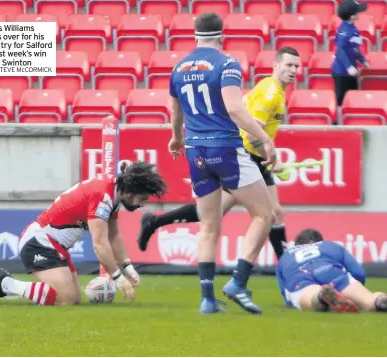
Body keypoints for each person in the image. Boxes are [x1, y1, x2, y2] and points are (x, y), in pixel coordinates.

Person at [138, 47, 301, 263]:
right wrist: (274, 160)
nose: (293, 70)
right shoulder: (270, 93)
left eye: (296, 66)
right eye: (288, 65)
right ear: (276, 66)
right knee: (230, 214)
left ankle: (285, 264)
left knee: (271, 212)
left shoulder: (273, 89)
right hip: (248, 155)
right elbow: (252, 136)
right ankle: (284, 267)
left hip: (255, 157)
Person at [167, 12, 278, 314]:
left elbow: (176, 115)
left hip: (195, 151)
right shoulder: (227, 64)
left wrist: (176, 139)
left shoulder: (178, 68)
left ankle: (207, 299)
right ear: (221, 35)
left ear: (195, 34)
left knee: (208, 227)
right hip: (225, 148)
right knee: (264, 214)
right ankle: (238, 282)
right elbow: (235, 108)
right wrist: (264, 140)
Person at [0, 161, 167, 306]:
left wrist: (127, 266)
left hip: (55, 246)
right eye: (142, 198)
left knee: (74, 298)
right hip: (39, 242)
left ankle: (7, 284)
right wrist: (118, 279)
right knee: (64, 299)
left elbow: (114, 236)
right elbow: (100, 244)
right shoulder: (102, 196)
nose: (142, 203)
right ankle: (5, 283)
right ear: (131, 191)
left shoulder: (113, 193)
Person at [276, 228, 387, 313]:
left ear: (296, 245)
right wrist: (356, 289)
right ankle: (379, 300)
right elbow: (359, 273)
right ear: (320, 241)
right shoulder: (330, 245)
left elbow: (286, 293)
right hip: (331, 272)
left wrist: (293, 302)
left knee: (310, 297)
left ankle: (320, 298)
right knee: (368, 299)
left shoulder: (285, 257)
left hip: (301, 278)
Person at [331, 0, 370, 106]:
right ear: (352, 16)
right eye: (357, 12)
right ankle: (338, 121)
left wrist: (362, 60)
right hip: (341, 72)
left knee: (354, 97)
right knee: (341, 100)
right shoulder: (345, 30)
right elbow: (340, 50)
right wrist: (348, 67)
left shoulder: (353, 29)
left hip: (352, 70)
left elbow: (355, 48)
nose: (359, 13)